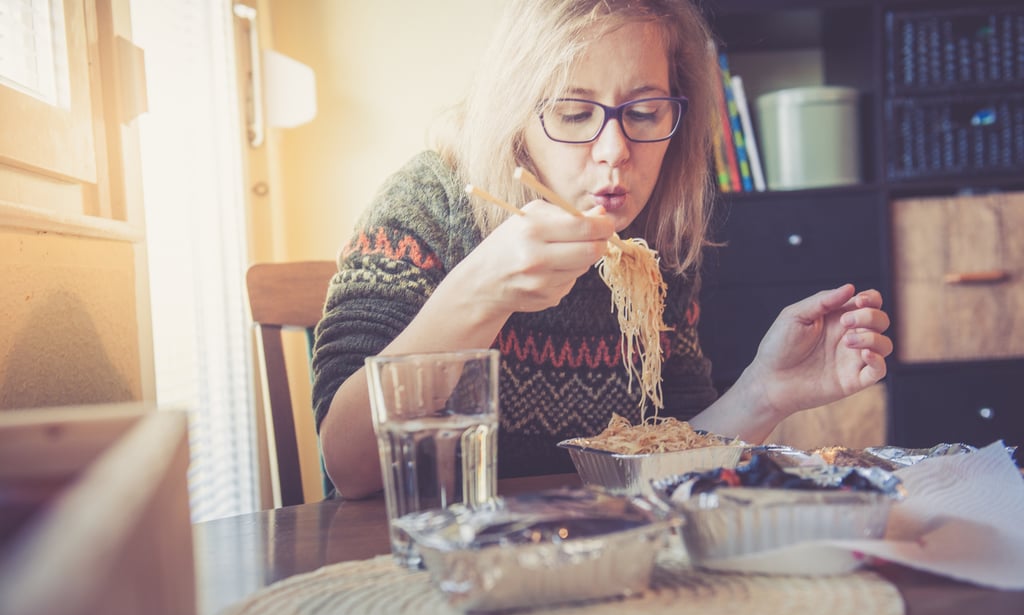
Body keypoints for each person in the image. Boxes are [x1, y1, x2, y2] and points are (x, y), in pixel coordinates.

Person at [311, 0, 893, 499]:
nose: (615, 149)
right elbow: (351, 468)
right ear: (516, 117)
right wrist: (477, 294)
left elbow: (668, 455)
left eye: (643, 112)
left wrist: (767, 390)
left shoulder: (652, 239)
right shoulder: (428, 209)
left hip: (608, 554)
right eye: (573, 112)